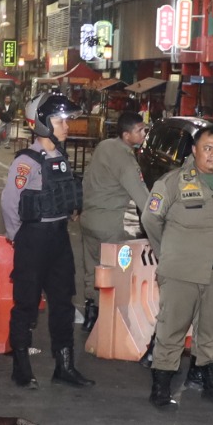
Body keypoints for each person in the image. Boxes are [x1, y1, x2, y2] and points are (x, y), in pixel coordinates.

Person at [141, 125, 213, 408]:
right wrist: (165, 251)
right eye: (207, 148)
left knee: (212, 331)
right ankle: (161, 389)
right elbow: (151, 219)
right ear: (194, 150)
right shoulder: (174, 182)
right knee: (171, 330)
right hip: (181, 272)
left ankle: (212, 385)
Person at [1, 92, 93, 389]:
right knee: (26, 305)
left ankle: (64, 366)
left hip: (58, 238)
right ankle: (21, 368)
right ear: (41, 123)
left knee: (63, 303)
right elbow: (9, 203)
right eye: (60, 120)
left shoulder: (61, 157)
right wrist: (20, 239)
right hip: (34, 238)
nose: (66, 126)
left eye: (66, 120)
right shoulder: (26, 162)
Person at [77, 111, 152, 332]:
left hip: (89, 220)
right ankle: (107, 322)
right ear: (127, 135)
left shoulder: (104, 147)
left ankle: (91, 313)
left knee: (92, 270)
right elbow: (141, 196)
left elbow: (86, 179)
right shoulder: (125, 158)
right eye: (140, 130)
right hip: (111, 226)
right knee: (115, 272)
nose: (144, 133)